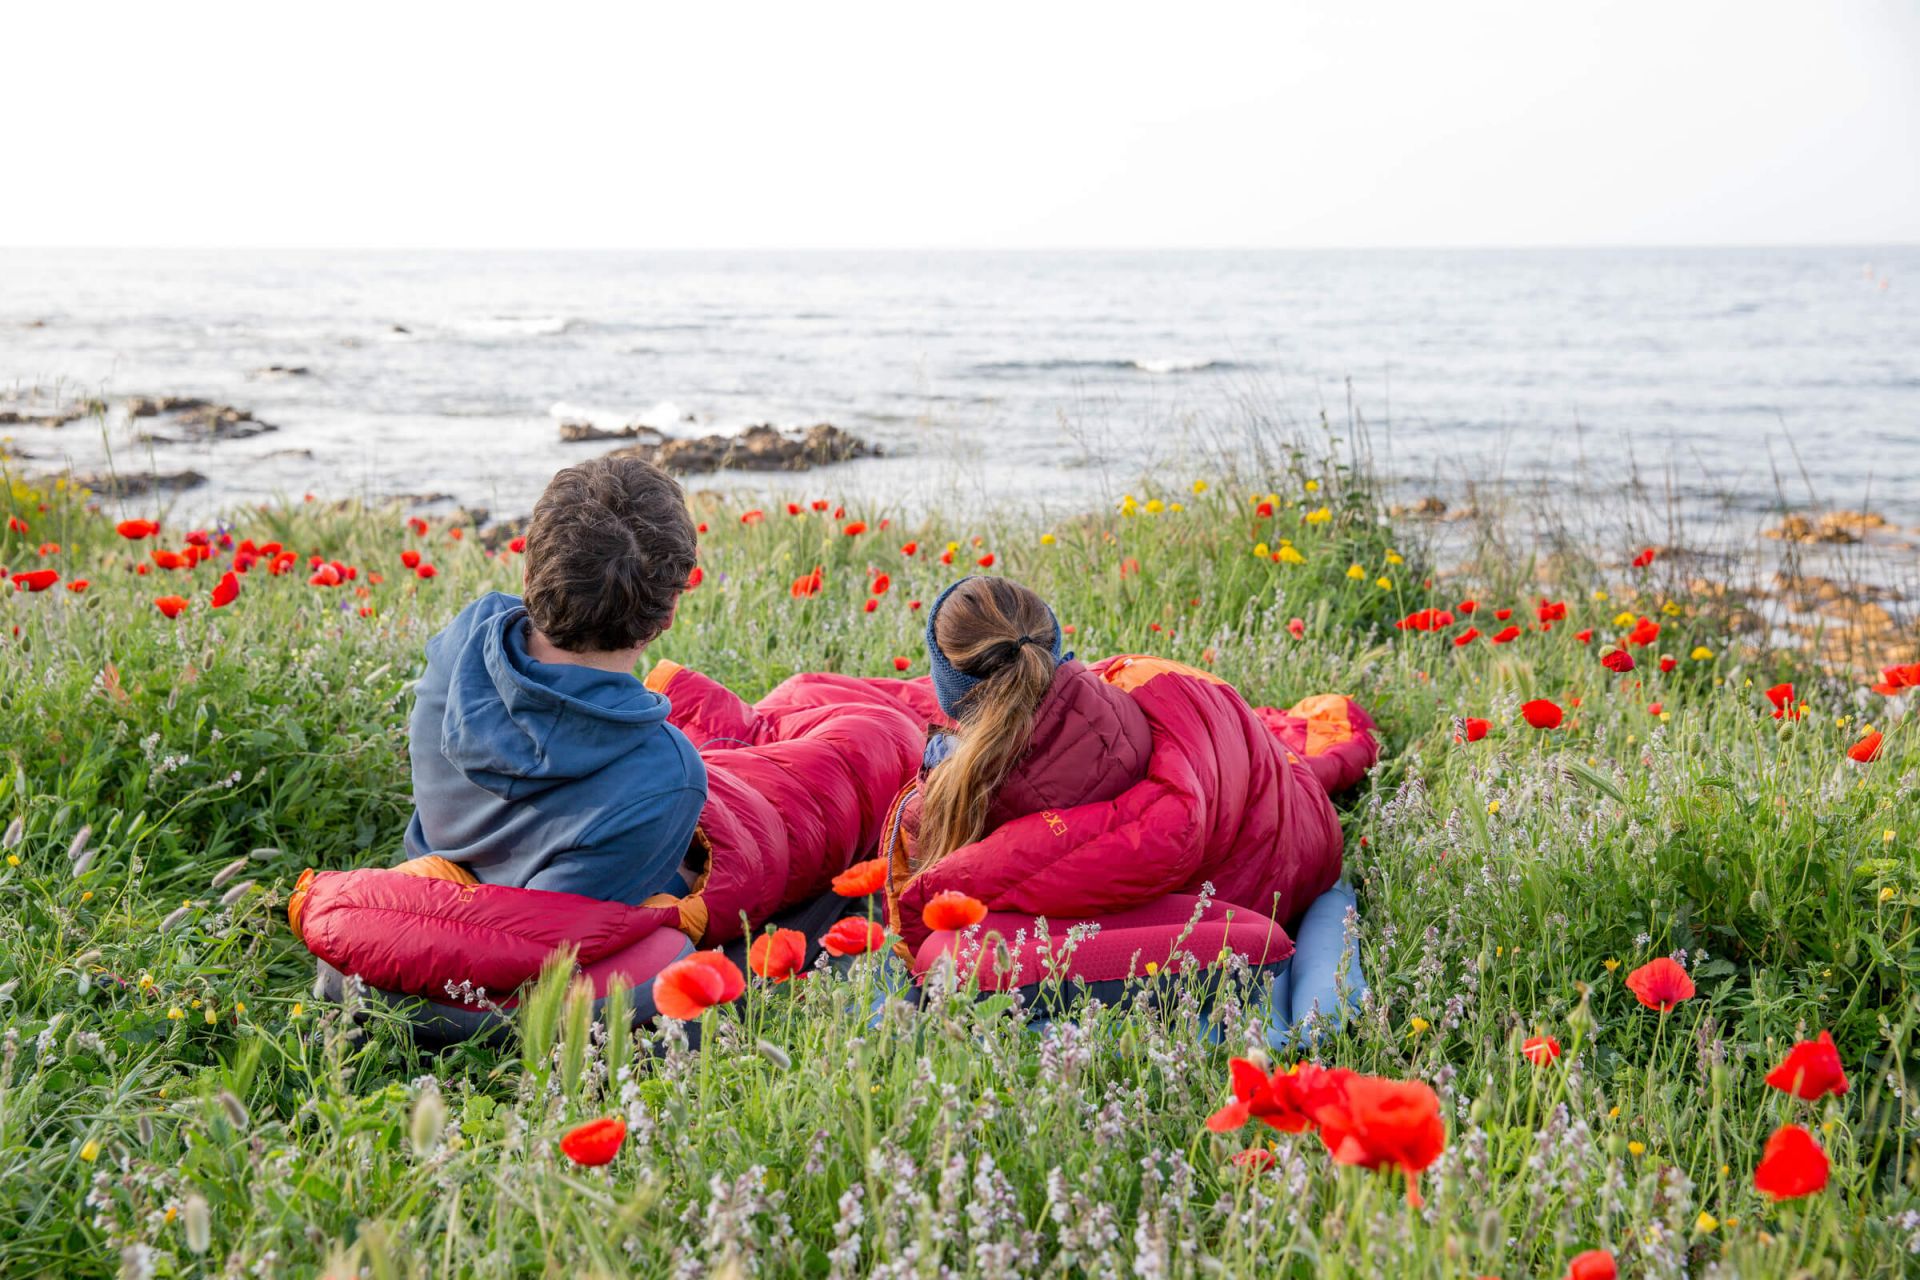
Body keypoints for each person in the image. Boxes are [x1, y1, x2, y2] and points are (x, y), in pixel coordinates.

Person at [887, 575, 1380, 951]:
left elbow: (924, 900)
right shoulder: (1137, 683)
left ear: (951, 692)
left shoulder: (961, 807)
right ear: (1052, 647)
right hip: (1298, 844)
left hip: (1245, 871)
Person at [401, 456, 708, 904]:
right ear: (670, 610)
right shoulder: (669, 774)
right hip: (519, 938)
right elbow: (558, 930)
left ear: (528, 574)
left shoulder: (466, 638)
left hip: (428, 876)